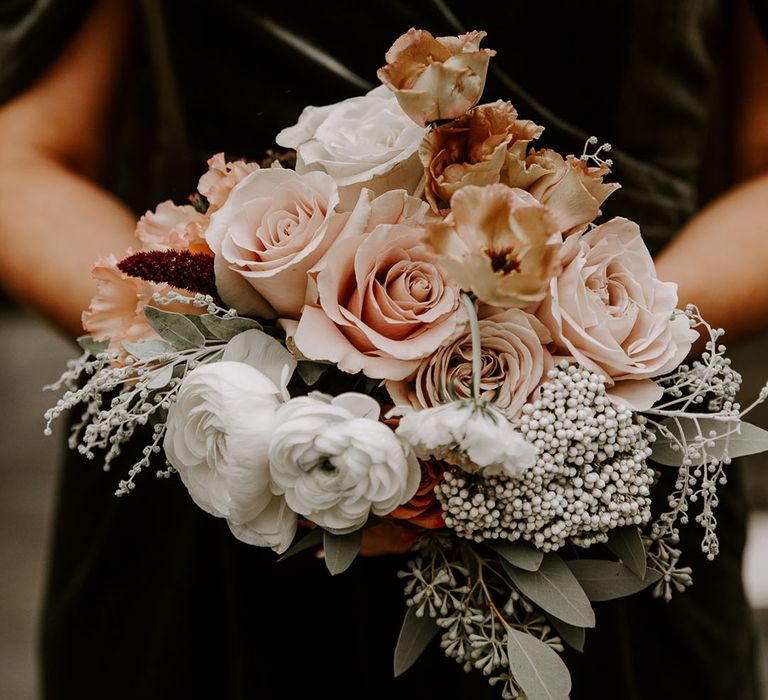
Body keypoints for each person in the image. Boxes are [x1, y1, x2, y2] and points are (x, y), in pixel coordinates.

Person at [0, 1, 767, 698]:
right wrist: (237, 383)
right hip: (218, 491)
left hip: (602, 470)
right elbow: (22, 156)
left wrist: (596, 343)